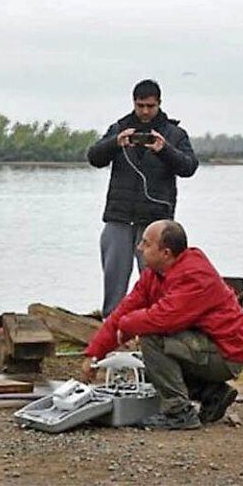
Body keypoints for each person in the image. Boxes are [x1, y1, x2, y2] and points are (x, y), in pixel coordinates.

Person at [80, 220, 243, 430]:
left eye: (146, 243)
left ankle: (179, 412)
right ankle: (211, 393)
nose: (139, 248)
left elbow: (163, 318)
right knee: (149, 357)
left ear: (166, 253)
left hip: (226, 354)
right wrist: (95, 353)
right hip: (204, 347)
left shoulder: (194, 275)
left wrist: (127, 326)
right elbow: (123, 311)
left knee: (152, 339)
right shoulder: (154, 274)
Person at [87, 79, 198, 317]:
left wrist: (164, 149)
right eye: (140, 106)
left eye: (150, 106)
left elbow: (189, 167)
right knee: (114, 277)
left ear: (159, 104)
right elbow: (94, 158)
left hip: (156, 223)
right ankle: (112, 324)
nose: (145, 111)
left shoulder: (174, 134)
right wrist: (115, 144)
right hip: (119, 217)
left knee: (156, 280)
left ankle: (156, 325)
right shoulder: (119, 128)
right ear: (133, 104)